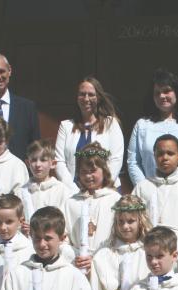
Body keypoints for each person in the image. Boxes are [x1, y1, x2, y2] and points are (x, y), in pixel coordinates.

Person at [132, 134, 178, 279]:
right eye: (160, 154)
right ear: (154, 156)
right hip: (149, 250)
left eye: (170, 153)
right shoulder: (143, 187)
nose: (165, 157)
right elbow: (134, 220)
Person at [127, 68, 178, 185]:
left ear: (176, 93)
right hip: (150, 193)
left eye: (167, 91)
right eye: (157, 93)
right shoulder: (142, 125)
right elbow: (133, 162)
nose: (162, 96)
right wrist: (144, 188)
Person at [55, 76, 124, 190]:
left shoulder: (111, 124)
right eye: (82, 94)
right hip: (74, 191)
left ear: (99, 98)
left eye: (91, 94)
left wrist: (102, 186)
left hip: (107, 190)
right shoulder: (66, 126)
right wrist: (73, 189)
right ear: (77, 98)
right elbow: (59, 162)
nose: (86, 98)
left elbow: (116, 159)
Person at [65, 142, 121, 272]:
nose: (88, 176)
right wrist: (77, 256)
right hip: (77, 264)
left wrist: (96, 260)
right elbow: (64, 239)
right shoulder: (71, 203)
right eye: (84, 172)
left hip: (106, 267)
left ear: (104, 170)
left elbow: (120, 239)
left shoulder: (115, 200)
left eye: (93, 171)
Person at [18, 139, 77, 234]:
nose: (38, 164)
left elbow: (65, 223)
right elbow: (15, 221)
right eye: (33, 160)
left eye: (43, 160)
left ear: (53, 164)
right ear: (28, 163)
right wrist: (21, 228)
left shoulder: (62, 191)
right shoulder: (21, 192)